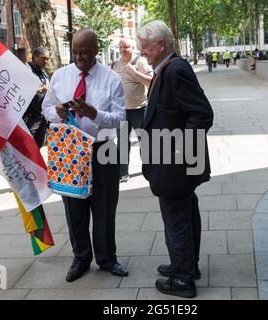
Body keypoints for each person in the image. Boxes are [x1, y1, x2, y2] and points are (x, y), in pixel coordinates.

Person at [42, 28, 128, 282]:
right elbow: (45, 108)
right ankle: (81, 258)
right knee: (74, 208)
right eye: (76, 52)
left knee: (104, 207)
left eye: (85, 52)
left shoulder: (111, 79)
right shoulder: (60, 76)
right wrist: (56, 110)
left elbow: (120, 118)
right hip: (70, 151)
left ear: (96, 50)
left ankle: (106, 259)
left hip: (103, 150)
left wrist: (95, 114)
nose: (79, 57)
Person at [137, 20, 214, 298]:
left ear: (161, 46)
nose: (142, 51)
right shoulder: (167, 69)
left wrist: (178, 151)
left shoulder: (175, 70)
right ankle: (186, 266)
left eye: (145, 47)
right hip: (173, 164)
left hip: (174, 165)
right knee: (184, 212)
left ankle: (183, 280)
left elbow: (202, 113)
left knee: (176, 219)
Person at [111, 38, 153, 183]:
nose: (122, 50)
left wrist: (133, 72)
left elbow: (150, 81)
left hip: (139, 109)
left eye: (126, 47)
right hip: (121, 111)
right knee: (122, 142)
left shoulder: (140, 61)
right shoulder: (115, 64)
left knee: (144, 141)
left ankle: (149, 169)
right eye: (120, 47)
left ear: (133, 48)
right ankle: (123, 173)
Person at [23, 47, 50, 148]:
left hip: (42, 117)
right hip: (30, 117)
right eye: (43, 58)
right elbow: (21, 89)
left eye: (47, 59)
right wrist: (37, 90)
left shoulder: (43, 72)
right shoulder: (26, 70)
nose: (46, 61)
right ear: (35, 57)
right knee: (27, 148)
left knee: (38, 146)